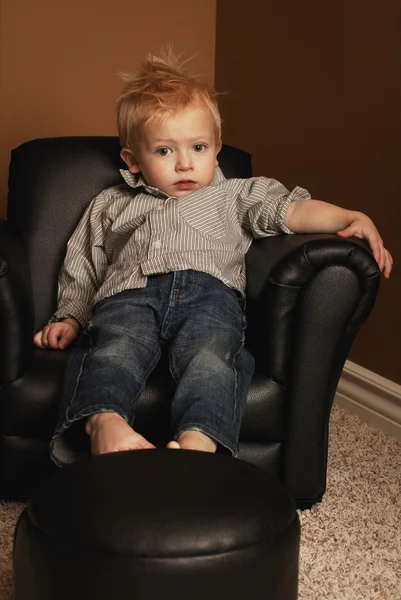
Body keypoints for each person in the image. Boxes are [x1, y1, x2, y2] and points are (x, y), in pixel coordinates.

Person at [33, 51, 393, 466]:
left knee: (213, 359)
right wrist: (71, 316)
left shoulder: (234, 194)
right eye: (165, 151)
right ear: (133, 159)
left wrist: (351, 216)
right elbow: (85, 261)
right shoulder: (112, 203)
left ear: (216, 150)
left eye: (198, 147)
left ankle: (200, 442)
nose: (185, 163)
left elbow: (291, 212)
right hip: (128, 295)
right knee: (112, 350)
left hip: (210, 297)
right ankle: (104, 422)